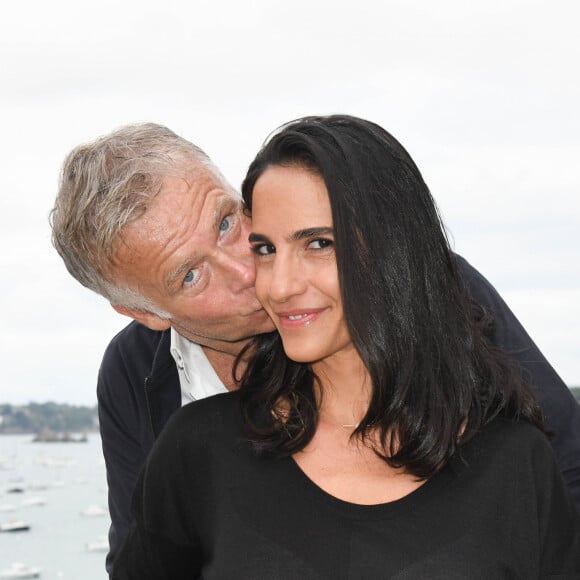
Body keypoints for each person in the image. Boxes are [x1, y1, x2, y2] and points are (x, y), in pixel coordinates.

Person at [50, 123, 580, 575]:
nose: (249, 272)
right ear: (147, 314)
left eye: (228, 223)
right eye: (190, 275)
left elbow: (561, 467)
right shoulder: (138, 380)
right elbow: (142, 556)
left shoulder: (428, 289)